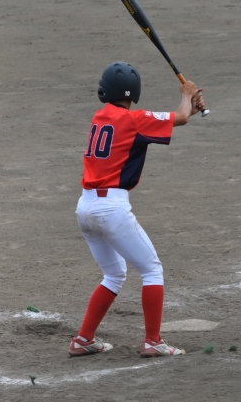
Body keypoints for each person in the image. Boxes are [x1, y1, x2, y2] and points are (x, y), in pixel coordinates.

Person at [69, 62, 205, 358]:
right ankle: (153, 341)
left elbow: (178, 117)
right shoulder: (135, 119)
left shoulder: (100, 117)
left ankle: (83, 339)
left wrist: (187, 108)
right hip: (112, 209)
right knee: (152, 269)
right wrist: (186, 95)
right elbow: (179, 117)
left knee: (114, 274)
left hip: (86, 207)